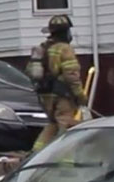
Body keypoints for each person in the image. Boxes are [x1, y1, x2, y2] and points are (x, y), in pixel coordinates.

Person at [28, 15, 87, 152]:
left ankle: (36, 154)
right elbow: (71, 75)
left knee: (52, 124)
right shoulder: (64, 49)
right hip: (62, 95)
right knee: (66, 126)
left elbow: (31, 72)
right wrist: (80, 95)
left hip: (45, 95)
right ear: (65, 32)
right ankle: (64, 159)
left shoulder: (44, 47)